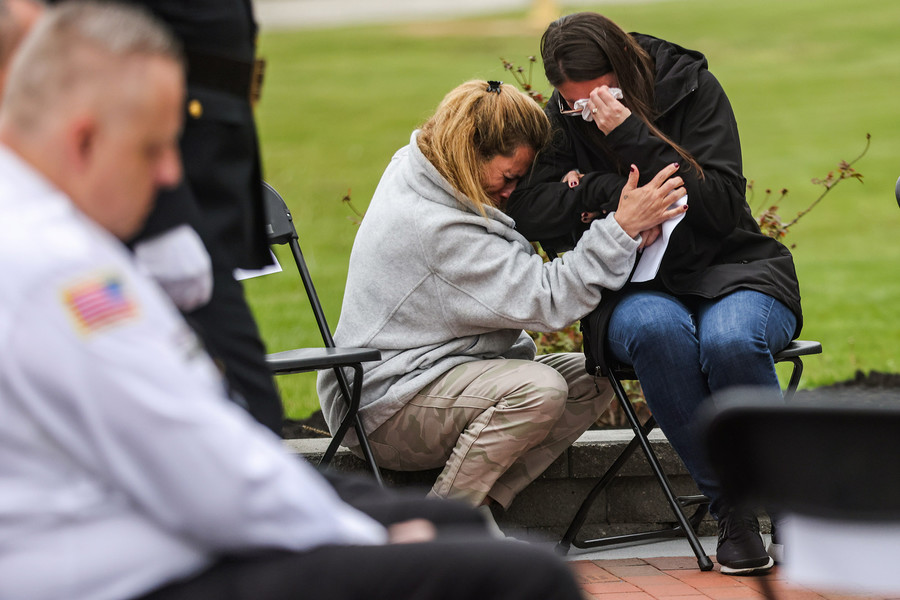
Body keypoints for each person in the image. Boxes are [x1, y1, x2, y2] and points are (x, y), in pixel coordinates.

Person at [0, 4, 585, 599]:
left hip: (163, 520)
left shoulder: (67, 240)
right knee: (523, 577)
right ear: (82, 139)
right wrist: (355, 537)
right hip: (133, 566)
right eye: (154, 149)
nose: (172, 173)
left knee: (455, 525)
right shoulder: (61, 273)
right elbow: (202, 475)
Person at [506, 12, 803, 574]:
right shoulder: (565, 119)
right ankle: (734, 513)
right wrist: (618, 194)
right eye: (576, 106)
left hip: (729, 267)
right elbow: (532, 211)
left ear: (626, 73)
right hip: (630, 287)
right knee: (657, 330)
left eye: (600, 100)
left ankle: (788, 500)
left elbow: (717, 206)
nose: (588, 114)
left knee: (731, 340)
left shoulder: (692, 87)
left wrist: (627, 135)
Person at [317, 79, 688, 516]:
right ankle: (446, 523)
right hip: (382, 409)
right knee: (538, 389)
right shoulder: (437, 229)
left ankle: (487, 503)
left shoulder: (421, 164)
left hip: (431, 375)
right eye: (510, 177)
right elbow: (548, 299)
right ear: (469, 151)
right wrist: (620, 230)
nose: (513, 191)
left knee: (595, 374)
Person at [46, 0, 284, 433]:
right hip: (163, 189)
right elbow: (88, 35)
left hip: (206, 168)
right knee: (245, 411)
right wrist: (162, 220)